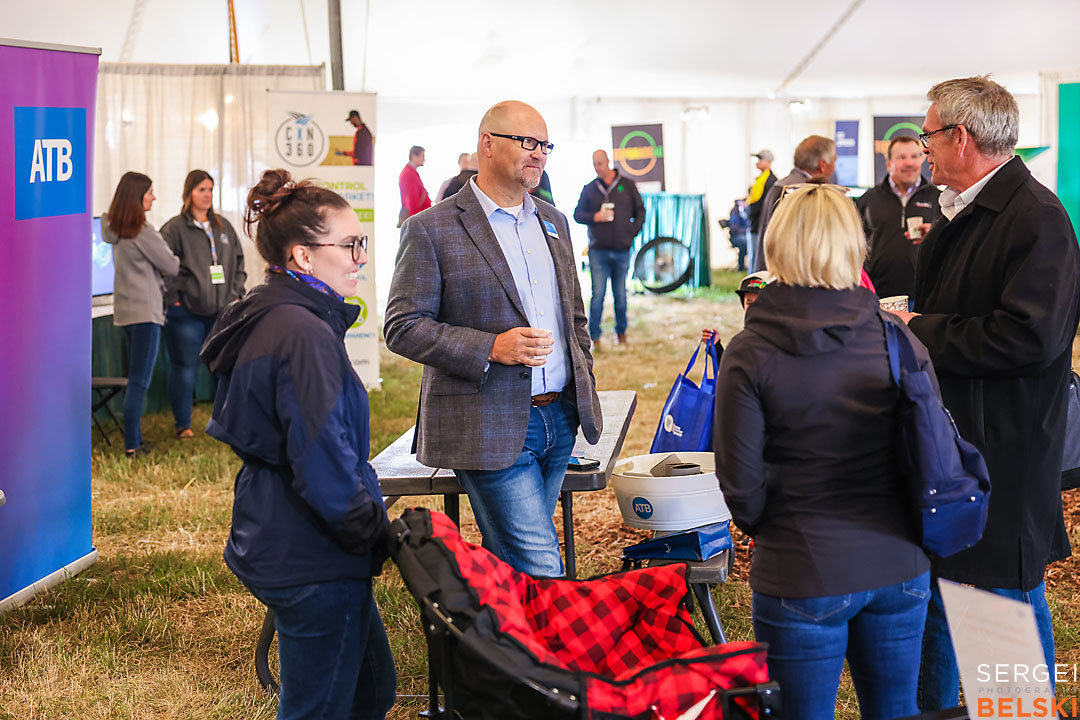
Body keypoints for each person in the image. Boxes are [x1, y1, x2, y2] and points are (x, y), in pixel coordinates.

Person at [891, 76, 1080, 711]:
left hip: (1005, 449)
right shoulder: (965, 212)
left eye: (929, 136)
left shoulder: (1035, 220)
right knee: (953, 594)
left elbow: (1030, 337)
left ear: (960, 137)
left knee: (998, 603)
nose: (925, 150)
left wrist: (922, 330)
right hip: (959, 444)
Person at [714, 184, 933, 719]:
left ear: (778, 244)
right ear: (853, 243)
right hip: (899, 564)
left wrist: (784, 528)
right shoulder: (896, 336)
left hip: (801, 567)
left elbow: (740, 487)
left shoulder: (750, 349)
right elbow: (928, 446)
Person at [200, 169, 395, 720]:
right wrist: (375, 535)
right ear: (304, 256)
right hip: (312, 554)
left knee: (371, 694)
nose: (360, 256)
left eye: (362, 243)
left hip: (287, 535)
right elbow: (324, 466)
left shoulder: (281, 316)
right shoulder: (302, 332)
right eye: (351, 244)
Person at [385, 100, 601, 578]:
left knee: (517, 569)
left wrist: (581, 376)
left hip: (560, 417)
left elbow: (575, 316)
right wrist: (489, 348)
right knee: (542, 565)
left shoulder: (555, 222)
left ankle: (495, 647)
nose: (539, 154)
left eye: (545, 145)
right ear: (487, 144)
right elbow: (401, 325)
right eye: (527, 142)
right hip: (488, 422)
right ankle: (555, 652)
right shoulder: (430, 228)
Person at [160, 170, 246, 439]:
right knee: (185, 368)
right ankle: (183, 425)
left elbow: (239, 262)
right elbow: (163, 267)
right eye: (201, 190)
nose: (207, 195)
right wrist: (174, 298)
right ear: (189, 193)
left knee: (223, 367)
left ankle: (226, 422)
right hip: (185, 312)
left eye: (210, 189)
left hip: (222, 311)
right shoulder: (174, 228)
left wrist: (236, 293)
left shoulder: (223, 227)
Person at [101, 172, 180, 457]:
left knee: (134, 379)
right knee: (139, 382)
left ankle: (133, 439)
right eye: (150, 192)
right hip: (146, 313)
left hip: (125, 311)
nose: (154, 197)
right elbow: (171, 266)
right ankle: (133, 445)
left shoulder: (114, 228)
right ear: (137, 197)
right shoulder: (142, 231)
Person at [572, 149, 645, 347]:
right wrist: (594, 217)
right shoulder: (590, 189)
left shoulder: (627, 186)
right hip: (598, 251)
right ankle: (594, 337)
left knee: (620, 295)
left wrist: (632, 231)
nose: (597, 168)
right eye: (594, 164)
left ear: (608, 162)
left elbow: (640, 211)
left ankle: (621, 333)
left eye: (600, 164)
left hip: (622, 249)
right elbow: (577, 215)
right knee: (598, 295)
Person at [856, 135, 942, 299]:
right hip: (877, 295)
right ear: (889, 164)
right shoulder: (868, 200)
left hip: (924, 295)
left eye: (914, 156)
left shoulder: (939, 199)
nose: (909, 163)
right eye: (902, 157)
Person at [752, 135, 836, 272]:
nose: (834, 168)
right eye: (834, 161)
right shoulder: (800, 190)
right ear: (822, 164)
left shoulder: (782, 186)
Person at [745, 149, 776, 269]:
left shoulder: (770, 181)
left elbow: (763, 204)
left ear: (767, 161)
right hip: (754, 224)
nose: (756, 163)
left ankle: (755, 284)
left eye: (759, 159)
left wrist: (750, 211)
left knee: (757, 258)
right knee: (753, 257)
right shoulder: (760, 179)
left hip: (760, 225)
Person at [397, 145, 431, 225]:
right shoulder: (409, 174)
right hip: (415, 219)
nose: (424, 159)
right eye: (422, 156)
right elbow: (412, 200)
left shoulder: (411, 172)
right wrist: (416, 223)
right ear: (413, 156)